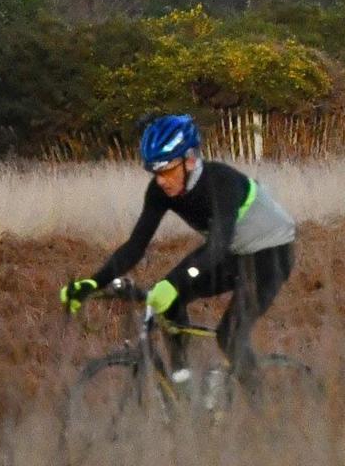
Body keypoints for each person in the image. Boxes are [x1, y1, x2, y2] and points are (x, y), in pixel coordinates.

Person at [59, 114, 298, 386]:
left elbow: (218, 246)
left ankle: (265, 414)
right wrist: (92, 282)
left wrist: (174, 282)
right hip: (235, 252)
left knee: (229, 336)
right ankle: (183, 381)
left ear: (191, 159)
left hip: (271, 253)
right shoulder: (160, 191)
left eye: (168, 170)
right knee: (169, 299)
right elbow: (136, 245)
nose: (161, 180)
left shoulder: (221, 183)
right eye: (155, 172)